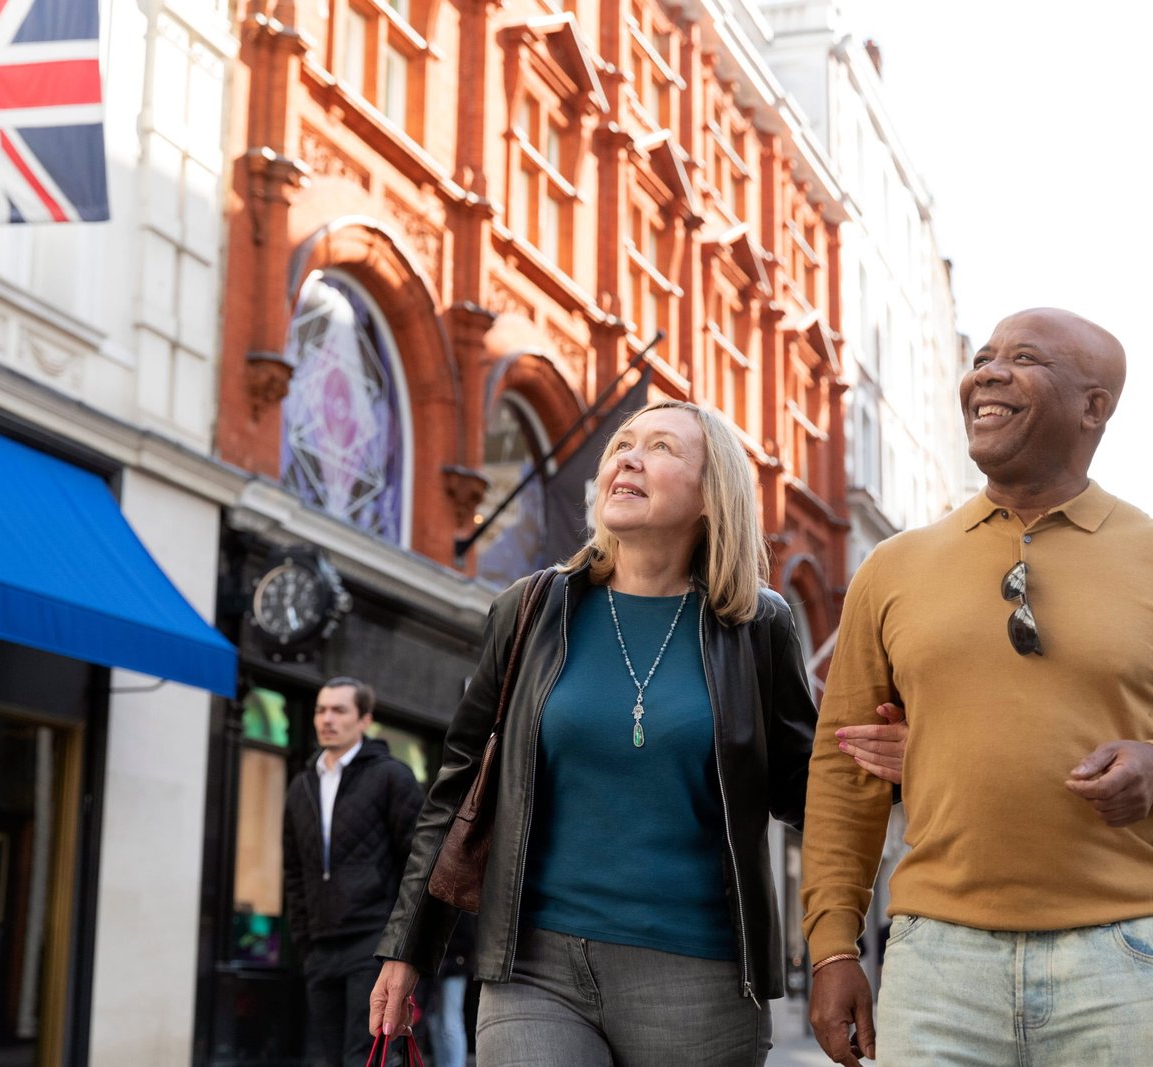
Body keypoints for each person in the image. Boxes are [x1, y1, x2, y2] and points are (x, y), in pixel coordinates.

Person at [364, 399, 907, 1066]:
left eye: (660, 447)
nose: (627, 456)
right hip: (534, 967)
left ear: (712, 495)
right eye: (622, 442)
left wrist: (899, 766)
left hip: (698, 977)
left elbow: (808, 788)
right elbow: (455, 791)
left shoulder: (755, 626)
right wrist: (408, 948)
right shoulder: (531, 610)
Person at [801, 307, 1153, 1066]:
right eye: (983, 356)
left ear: (1095, 406)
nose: (986, 372)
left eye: (1023, 359)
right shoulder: (892, 567)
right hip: (934, 961)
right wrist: (831, 948)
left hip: (1122, 958)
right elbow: (841, 771)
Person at [284, 677, 425, 1067]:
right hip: (320, 945)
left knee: (367, 1057)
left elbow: (417, 864)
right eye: (320, 709)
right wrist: (303, 942)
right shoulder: (301, 786)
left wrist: (400, 947)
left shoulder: (392, 776)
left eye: (339, 710)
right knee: (325, 1058)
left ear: (364, 720)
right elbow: (293, 870)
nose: (327, 719)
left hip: (373, 944)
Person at [431, 912, 475, 1067]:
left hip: (454, 968)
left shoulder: (460, 905)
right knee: (435, 1023)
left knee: (451, 1022)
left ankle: (456, 1064)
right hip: (435, 970)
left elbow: (468, 938)